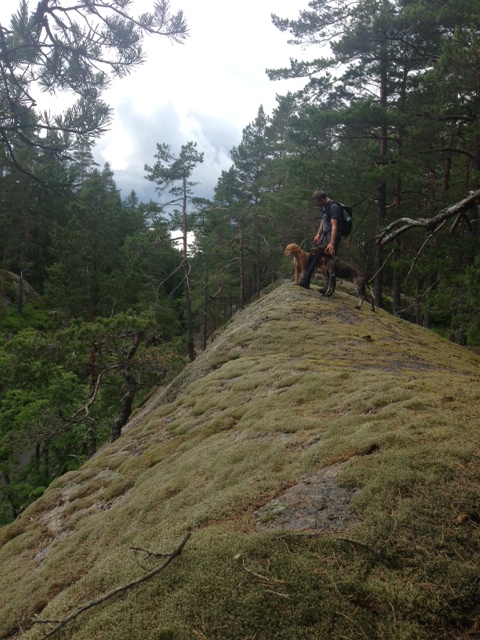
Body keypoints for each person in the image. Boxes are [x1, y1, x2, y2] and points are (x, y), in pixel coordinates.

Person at [297, 189, 342, 290]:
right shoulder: (323, 206)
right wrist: (318, 234)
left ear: (322, 199)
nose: (316, 204)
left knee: (329, 261)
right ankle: (305, 281)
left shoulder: (333, 207)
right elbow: (323, 220)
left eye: (317, 202)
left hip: (332, 235)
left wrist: (332, 243)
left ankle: (329, 287)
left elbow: (334, 226)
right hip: (324, 235)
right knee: (313, 255)